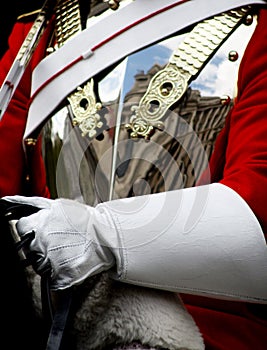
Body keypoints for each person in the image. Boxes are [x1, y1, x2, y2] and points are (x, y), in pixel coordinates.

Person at [1, 0, 267, 349]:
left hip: (202, 328)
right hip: (52, 312)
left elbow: (259, 200)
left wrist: (101, 236)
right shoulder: (41, 28)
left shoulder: (257, 24)